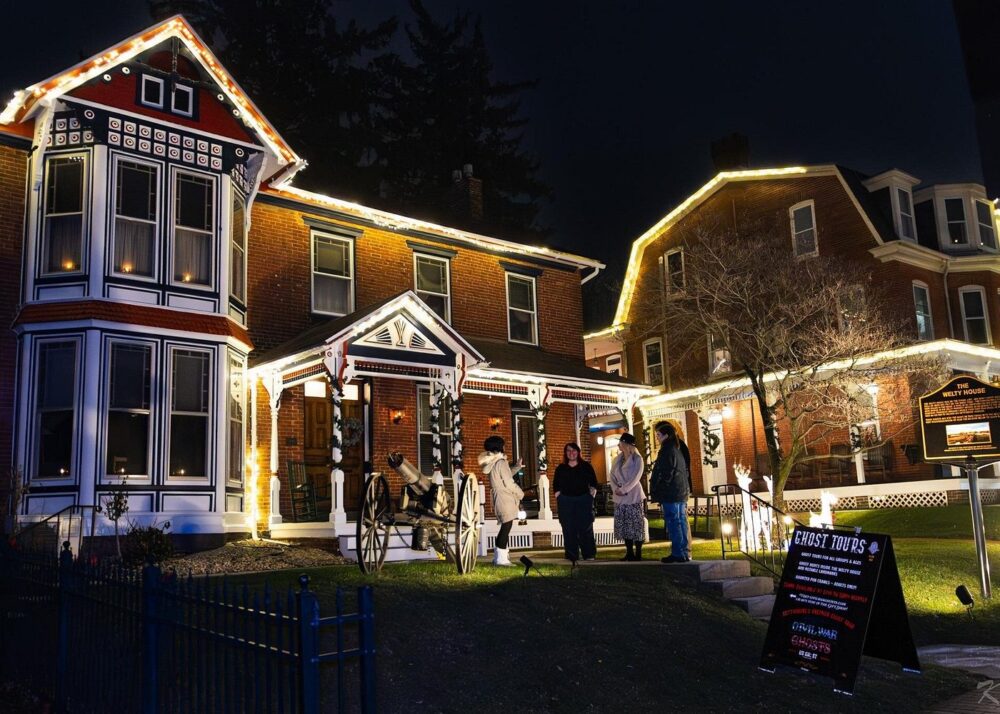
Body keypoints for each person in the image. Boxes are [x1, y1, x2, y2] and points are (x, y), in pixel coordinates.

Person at [478, 435, 524, 567]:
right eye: (503, 445)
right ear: (499, 447)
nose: (505, 447)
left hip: (499, 497)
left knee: (505, 526)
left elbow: (506, 475)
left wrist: (517, 467)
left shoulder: (494, 462)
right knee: (506, 527)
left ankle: (499, 557)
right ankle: (501, 559)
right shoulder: (501, 462)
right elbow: (509, 483)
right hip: (506, 497)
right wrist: (520, 494)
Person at [649, 421, 690, 563]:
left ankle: (678, 553)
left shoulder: (667, 450)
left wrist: (659, 487)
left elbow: (667, 472)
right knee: (680, 521)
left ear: (666, 435)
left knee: (674, 522)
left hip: (671, 492)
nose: (657, 438)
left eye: (658, 435)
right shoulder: (676, 448)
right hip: (680, 491)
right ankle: (683, 551)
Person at [553, 442, 598, 562]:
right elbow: (556, 484)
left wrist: (591, 494)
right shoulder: (561, 468)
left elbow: (594, 482)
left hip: (583, 500)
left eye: (573, 451)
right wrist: (558, 495)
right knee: (568, 528)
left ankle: (589, 554)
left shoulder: (586, 466)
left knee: (585, 527)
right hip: (566, 501)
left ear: (578, 452)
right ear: (565, 453)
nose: (571, 453)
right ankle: (572, 555)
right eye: (568, 451)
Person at [609, 433, 646, 561]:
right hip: (619, 497)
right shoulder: (617, 459)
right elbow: (612, 475)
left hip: (633, 495)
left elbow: (636, 477)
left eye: (620, 442)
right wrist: (616, 489)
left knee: (636, 524)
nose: (619, 445)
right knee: (624, 524)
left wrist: (625, 489)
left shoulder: (637, 459)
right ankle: (629, 552)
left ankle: (638, 552)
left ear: (626, 444)